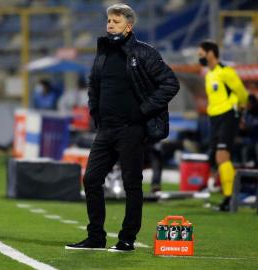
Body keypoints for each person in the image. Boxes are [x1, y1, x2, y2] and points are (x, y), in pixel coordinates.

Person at [66, 4, 179, 252]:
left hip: (131, 129)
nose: (109, 25)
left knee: (132, 185)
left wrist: (142, 111)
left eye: (115, 22)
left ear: (128, 26)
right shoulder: (103, 53)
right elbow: (94, 85)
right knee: (92, 179)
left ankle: (127, 238)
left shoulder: (144, 53)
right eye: (108, 21)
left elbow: (170, 84)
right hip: (106, 129)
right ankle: (96, 237)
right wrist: (95, 111)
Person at [197, 40, 249, 211]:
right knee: (219, 158)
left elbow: (242, 93)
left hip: (228, 115)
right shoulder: (209, 74)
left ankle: (230, 198)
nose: (199, 56)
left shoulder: (226, 72)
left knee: (222, 156)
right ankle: (229, 197)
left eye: (201, 53)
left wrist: (239, 110)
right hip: (215, 118)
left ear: (211, 53)